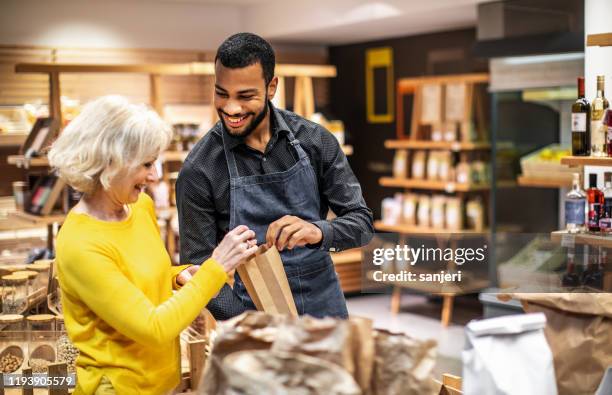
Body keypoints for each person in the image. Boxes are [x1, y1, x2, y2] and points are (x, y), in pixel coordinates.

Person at [48, 95, 258, 395]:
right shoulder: (81, 245)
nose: (155, 175)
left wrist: (178, 276)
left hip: (161, 381)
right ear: (110, 163)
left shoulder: (140, 207)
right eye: (146, 164)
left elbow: (137, 277)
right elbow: (154, 328)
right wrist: (216, 267)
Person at [176, 32, 373, 320]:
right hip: (252, 316)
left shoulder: (314, 141)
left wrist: (318, 231)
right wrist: (246, 322)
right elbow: (197, 270)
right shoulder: (201, 169)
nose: (231, 108)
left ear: (271, 87)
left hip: (326, 312)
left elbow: (362, 223)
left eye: (245, 96)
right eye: (222, 93)